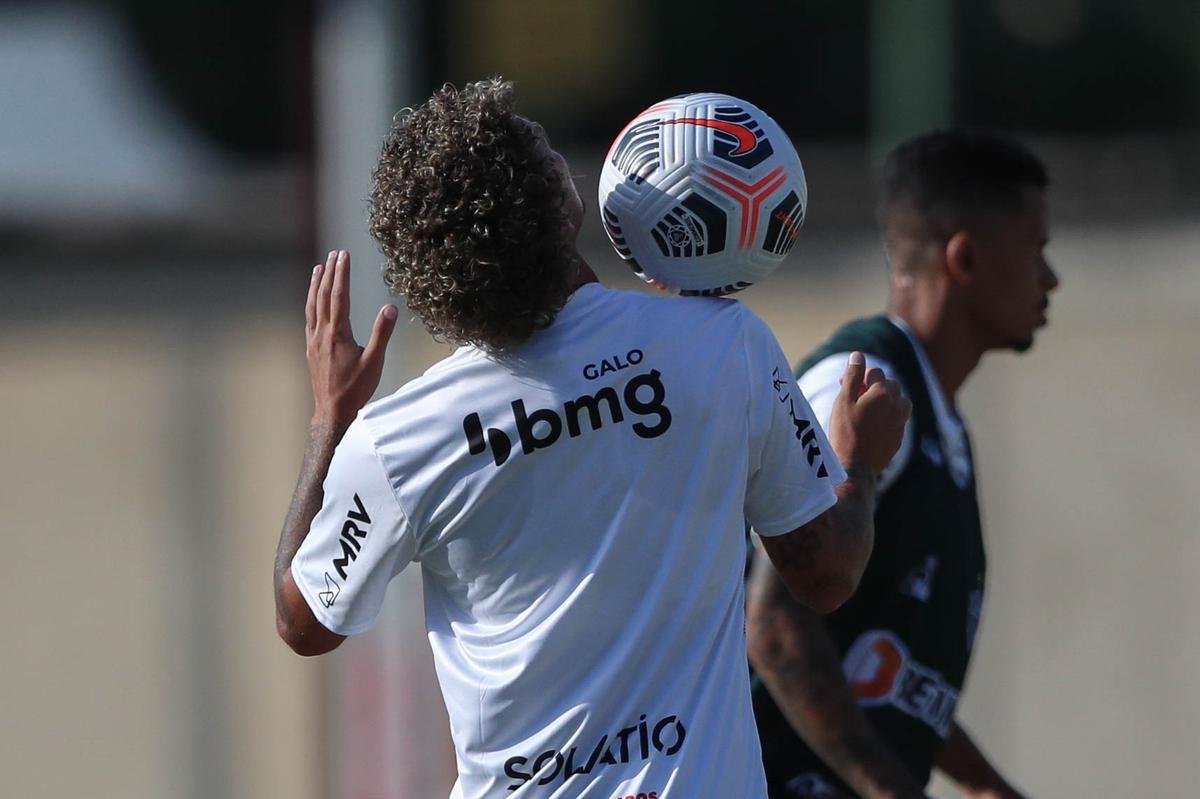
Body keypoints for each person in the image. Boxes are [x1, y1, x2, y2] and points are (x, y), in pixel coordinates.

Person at [271, 79, 910, 798]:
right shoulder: (723, 347)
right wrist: (860, 457)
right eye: (542, 150)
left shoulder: (396, 438)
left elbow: (303, 620)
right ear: (554, 202)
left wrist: (332, 416)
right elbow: (826, 575)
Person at [746, 130, 1060, 799]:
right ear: (965, 258)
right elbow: (773, 624)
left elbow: (882, 672)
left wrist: (980, 780)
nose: (1051, 277)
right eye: (1036, 249)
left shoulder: (937, 420)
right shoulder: (858, 387)